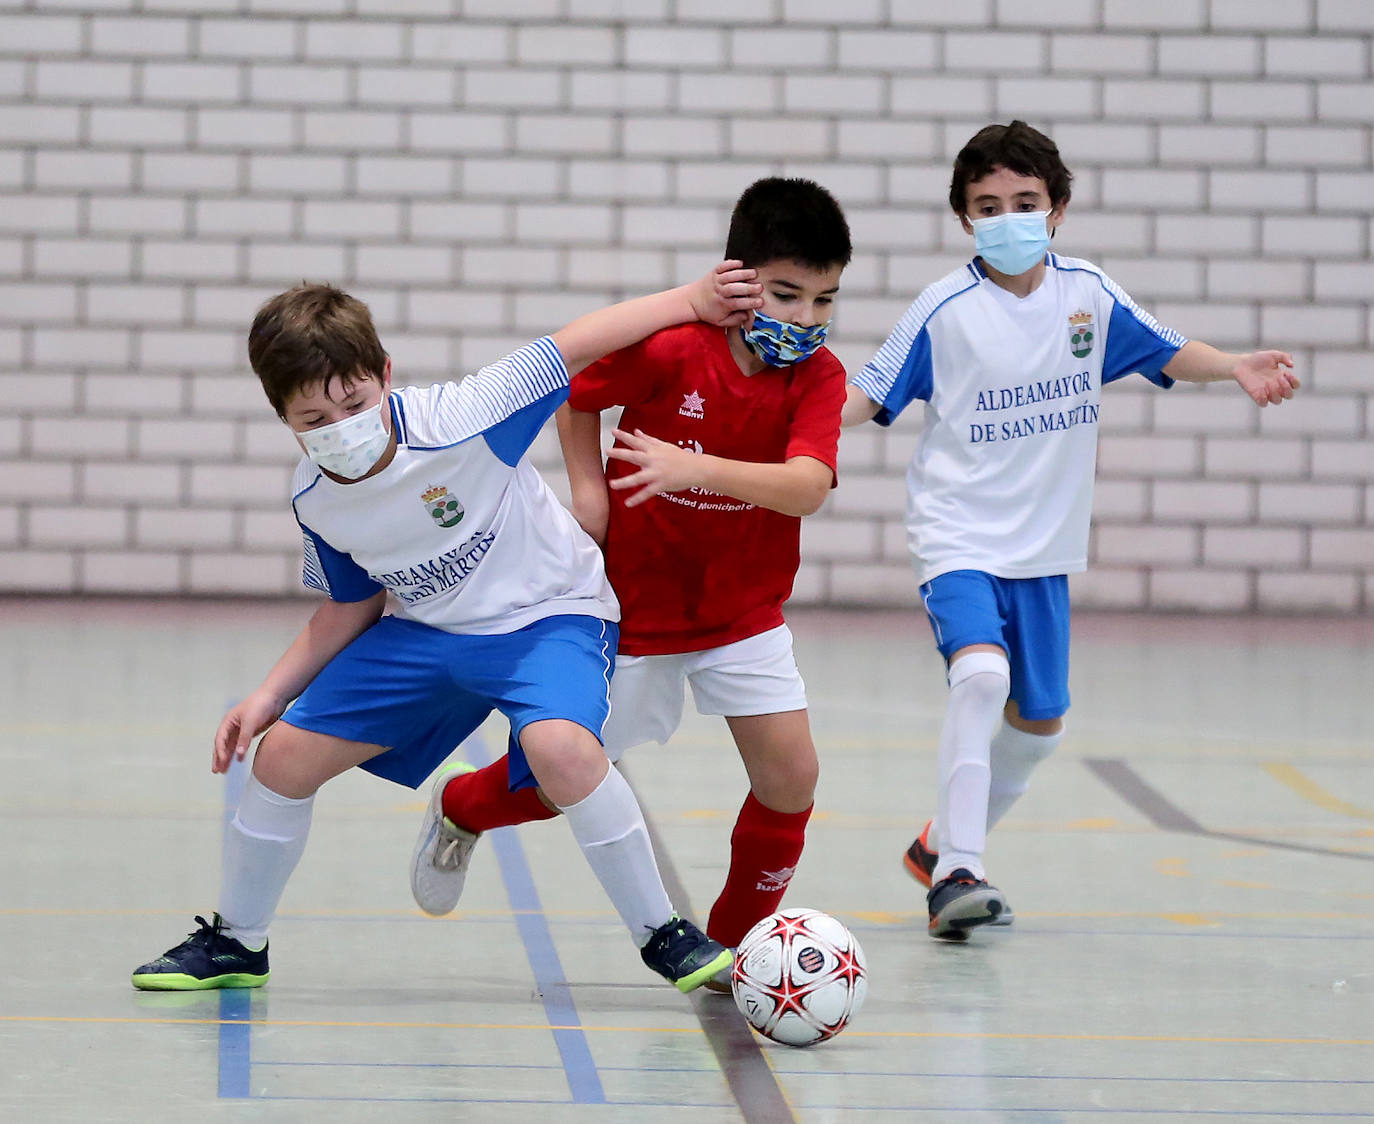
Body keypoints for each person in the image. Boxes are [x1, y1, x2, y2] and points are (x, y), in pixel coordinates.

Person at [131, 264, 766, 993]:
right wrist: (266, 698)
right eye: (314, 421)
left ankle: (662, 932)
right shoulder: (315, 499)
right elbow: (349, 604)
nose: (340, 429)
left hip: (547, 615)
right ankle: (239, 944)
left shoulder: (465, 416)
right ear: (284, 420)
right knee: (279, 760)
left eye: (355, 403)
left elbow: (570, 347)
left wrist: (692, 301)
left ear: (385, 375)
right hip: (431, 634)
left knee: (561, 750)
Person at [842, 120, 1299, 941]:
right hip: (959, 538)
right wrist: (767, 431)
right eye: (988, 205)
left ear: (1056, 210)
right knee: (979, 676)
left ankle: (936, 842)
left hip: (1043, 551)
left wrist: (1232, 366)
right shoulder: (942, 311)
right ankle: (958, 874)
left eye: (1025, 201)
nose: (1008, 217)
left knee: (1041, 724)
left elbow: (1165, 348)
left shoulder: (1087, 293)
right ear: (963, 219)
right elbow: (864, 398)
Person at [413, 177, 851, 989]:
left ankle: (734, 950)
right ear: (740, 279)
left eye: (824, 300)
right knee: (553, 786)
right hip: (633, 615)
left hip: (743, 613)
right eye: (787, 294)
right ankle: (463, 806)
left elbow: (806, 487)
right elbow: (576, 395)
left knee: (792, 778)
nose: (806, 318)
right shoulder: (672, 348)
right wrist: (589, 490)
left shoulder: (818, 380)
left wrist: (696, 467)